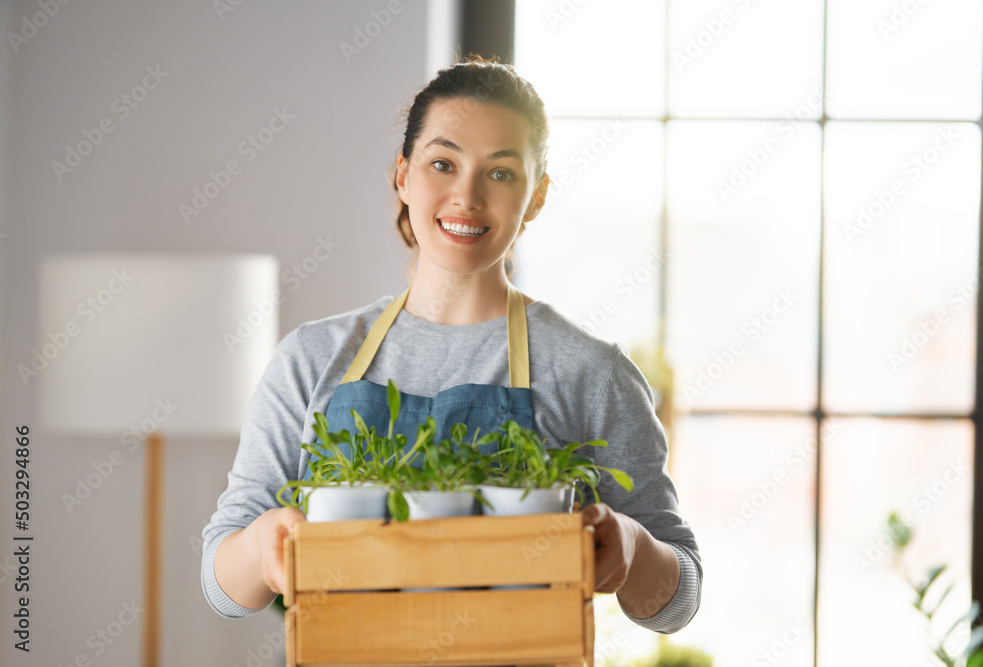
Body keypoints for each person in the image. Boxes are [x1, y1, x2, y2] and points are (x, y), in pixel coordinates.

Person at [201, 56, 702, 635]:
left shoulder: (591, 370)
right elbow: (224, 589)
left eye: (501, 173)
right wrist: (265, 542)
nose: (466, 196)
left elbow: (677, 599)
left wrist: (632, 548)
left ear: (536, 197)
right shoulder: (312, 358)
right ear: (402, 175)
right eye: (443, 163)